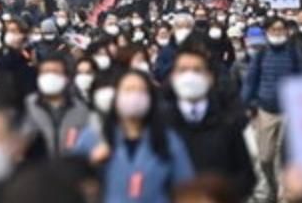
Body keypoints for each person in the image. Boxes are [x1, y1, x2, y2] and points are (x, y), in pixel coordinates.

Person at [75, 69, 195, 203]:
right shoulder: (92, 137)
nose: (134, 96)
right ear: (117, 97)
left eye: (141, 91)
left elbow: (187, 189)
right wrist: (90, 164)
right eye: (128, 90)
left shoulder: (169, 140)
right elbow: (70, 184)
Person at [164, 47, 255, 201]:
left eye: (197, 70)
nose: (190, 76)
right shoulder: (160, 123)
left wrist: (219, 194)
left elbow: (246, 176)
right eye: (183, 70)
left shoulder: (227, 122)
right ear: (173, 76)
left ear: (210, 77)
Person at [240, 17, 302, 203]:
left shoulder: (294, 53)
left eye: (281, 30)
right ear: (267, 32)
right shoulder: (261, 55)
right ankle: (273, 186)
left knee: (282, 157)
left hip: (289, 112)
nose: (278, 34)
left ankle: (282, 196)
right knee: (265, 156)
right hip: (266, 110)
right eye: (274, 30)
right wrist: (244, 105)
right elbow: (251, 81)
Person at [21, 56, 91, 161]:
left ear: (66, 78)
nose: (50, 76)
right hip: (36, 171)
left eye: (55, 72)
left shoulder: (80, 109)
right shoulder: (26, 106)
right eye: (45, 72)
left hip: (70, 169)